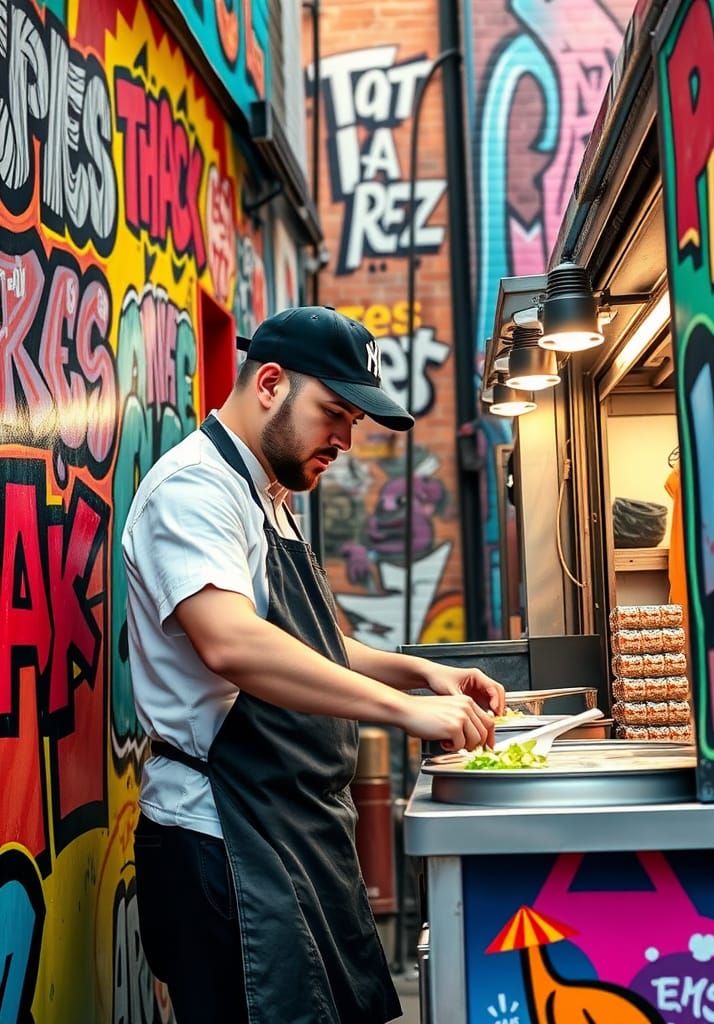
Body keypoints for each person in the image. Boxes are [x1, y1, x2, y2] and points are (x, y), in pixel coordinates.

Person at [122, 305, 505, 1024]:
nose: (345, 441)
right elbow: (234, 643)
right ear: (270, 383)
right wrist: (406, 713)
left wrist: (420, 672)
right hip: (224, 839)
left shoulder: (267, 493)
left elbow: (310, 644)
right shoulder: (194, 490)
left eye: (354, 422)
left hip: (293, 829)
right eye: (334, 413)